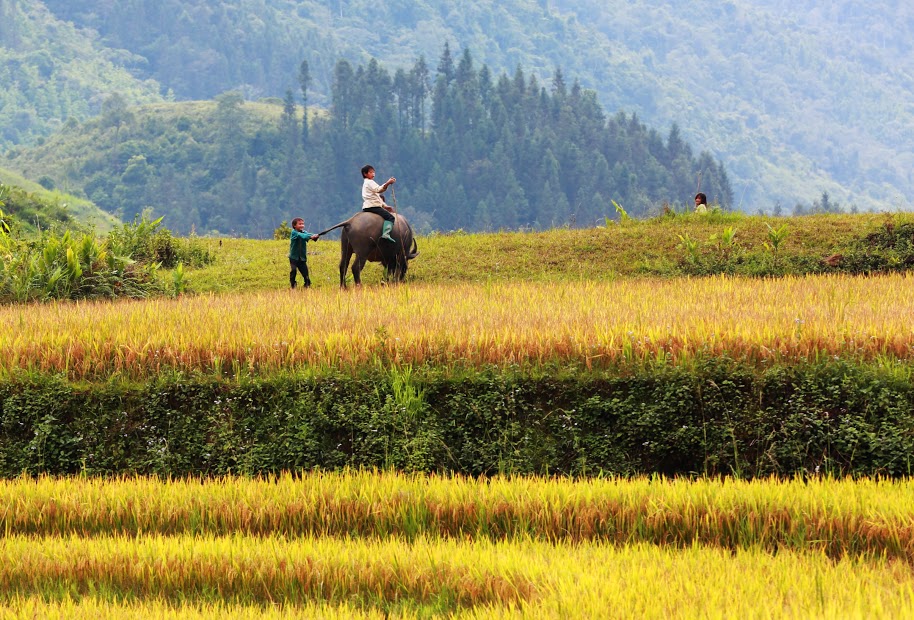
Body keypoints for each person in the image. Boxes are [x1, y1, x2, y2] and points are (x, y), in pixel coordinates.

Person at [361, 164, 397, 243]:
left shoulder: (366, 184)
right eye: (370, 172)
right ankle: (386, 233)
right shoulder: (370, 182)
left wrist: (385, 206)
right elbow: (379, 190)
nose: (373, 174)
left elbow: (377, 197)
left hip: (366, 207)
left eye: (373, 172)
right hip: (373, 207)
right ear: (365, 174)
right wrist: (388, 183)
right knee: (390, 218)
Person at [288, 217, 319, 288]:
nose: (302, 225)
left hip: (302, 258)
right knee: (293, 271)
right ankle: (293, 284)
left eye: (302, 224)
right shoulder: (294, 233)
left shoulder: (304, 232)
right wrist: (311, 236)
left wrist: (315, 235)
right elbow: (302, 236)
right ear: (294, 225)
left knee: (305, 273)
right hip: (293, 258)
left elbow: (308, 234)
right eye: (300, 224)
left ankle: (307, 284)